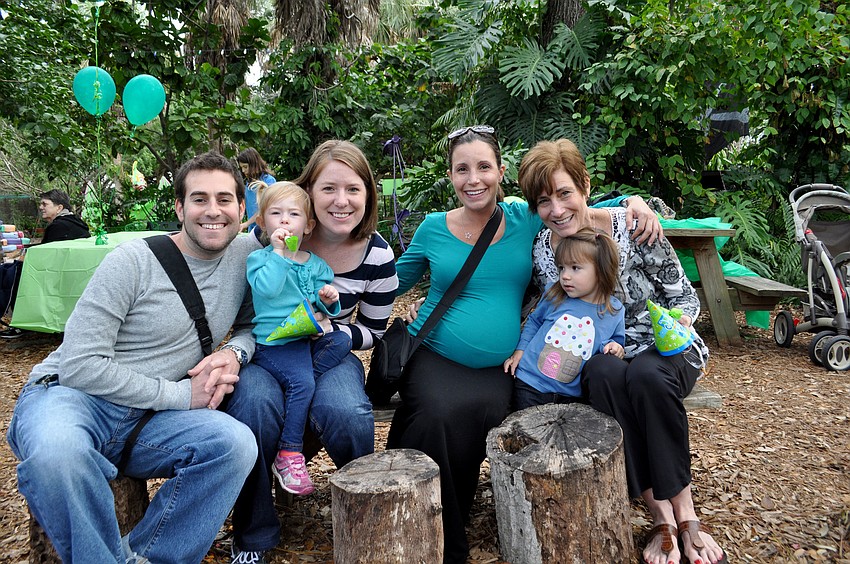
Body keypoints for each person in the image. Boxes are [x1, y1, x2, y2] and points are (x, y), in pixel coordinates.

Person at [388, 125, 663, 563]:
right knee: (437, 413)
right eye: (462, 169)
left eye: (483, 167)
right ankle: (434, 530)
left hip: (501, 365)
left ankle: (456, 512)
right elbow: (390, 282)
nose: (473, 178)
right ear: (450, 177)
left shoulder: (520, 217)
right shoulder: (432, 228)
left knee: (495, 411)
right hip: (436, 353)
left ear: (500, 172)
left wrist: (632, 202)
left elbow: (571, 206)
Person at [5, 151, 259, 563]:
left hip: (146, 421)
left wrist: (234, 351)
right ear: (178, 207)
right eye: (199, 199)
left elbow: (253, 326)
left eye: (224, 199)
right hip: (72, 398)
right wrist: (182, 396)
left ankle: (148, 557)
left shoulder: (246, 257)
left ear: (241, 206)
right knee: (57, 455)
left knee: (233, 444)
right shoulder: (132, 261)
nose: (213, 211)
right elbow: (80, 364)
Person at [518, 138, 726, 564]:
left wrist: (673, 327)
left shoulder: (633, 225)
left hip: (663, 344)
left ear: (585, 187)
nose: (556, 210)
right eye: (543, 201)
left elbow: (684, 299)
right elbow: (555, 308)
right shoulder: (545, 247)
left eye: (564, 194)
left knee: (646, 376)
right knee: (602, 374)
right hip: (605, 354)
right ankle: (659, 515)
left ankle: (686, 515)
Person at [225, 140, 398, 564]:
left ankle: (366, 515)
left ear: (368, 194)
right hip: (268, 345)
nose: (341, 201)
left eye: (353, 189)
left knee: (347, 412)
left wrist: (330, 333)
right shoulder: (270, 234)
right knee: (254, 404)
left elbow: (373, 331)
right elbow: (241, 307)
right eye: (328, 189)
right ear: (309, 193)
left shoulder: (377, 253)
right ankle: (254, 533)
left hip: (330, 345)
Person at [247, 181, 351, 496]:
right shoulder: (261, 260)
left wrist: (329, 299)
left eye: (293, 214)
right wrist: (280, 253)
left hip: (304, 337)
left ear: (308, 225)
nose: (284, 220)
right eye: (276, 214)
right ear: (263, 222)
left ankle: (295, 385)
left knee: (343, 341)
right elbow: (267, 289)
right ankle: (289, 452)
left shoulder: (316, 263)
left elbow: (322, 306)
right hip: (274, 342)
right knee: (303, 383)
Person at [504, 227, 625, 410]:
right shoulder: (555, 294)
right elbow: (535, 321)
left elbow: (616, 341)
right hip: (530, 383)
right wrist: (520, 351)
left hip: (572, 394)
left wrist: (616, 348)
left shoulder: (614, 310)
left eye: (575, 268)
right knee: (528, 432)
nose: (565, 276)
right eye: (562, 268)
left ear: (601, 270)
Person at [0, 189, 90, 339]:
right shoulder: (77, 223)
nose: (41, 207)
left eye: (44, 204)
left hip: (54, 276)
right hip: (71, 273)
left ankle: (23, 324)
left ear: (59, 207)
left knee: (14, 272)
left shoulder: (59, 226)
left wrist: (22, 259)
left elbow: (44, 257)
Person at [237, 147, 276, 231]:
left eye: (245, 167)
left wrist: (246, 224)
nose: (243, 170)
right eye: (241, 167)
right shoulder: (248, 183)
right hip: (253, 230)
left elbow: (264, 208)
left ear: (254, 164)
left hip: (265, 230)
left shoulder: (268, 181)